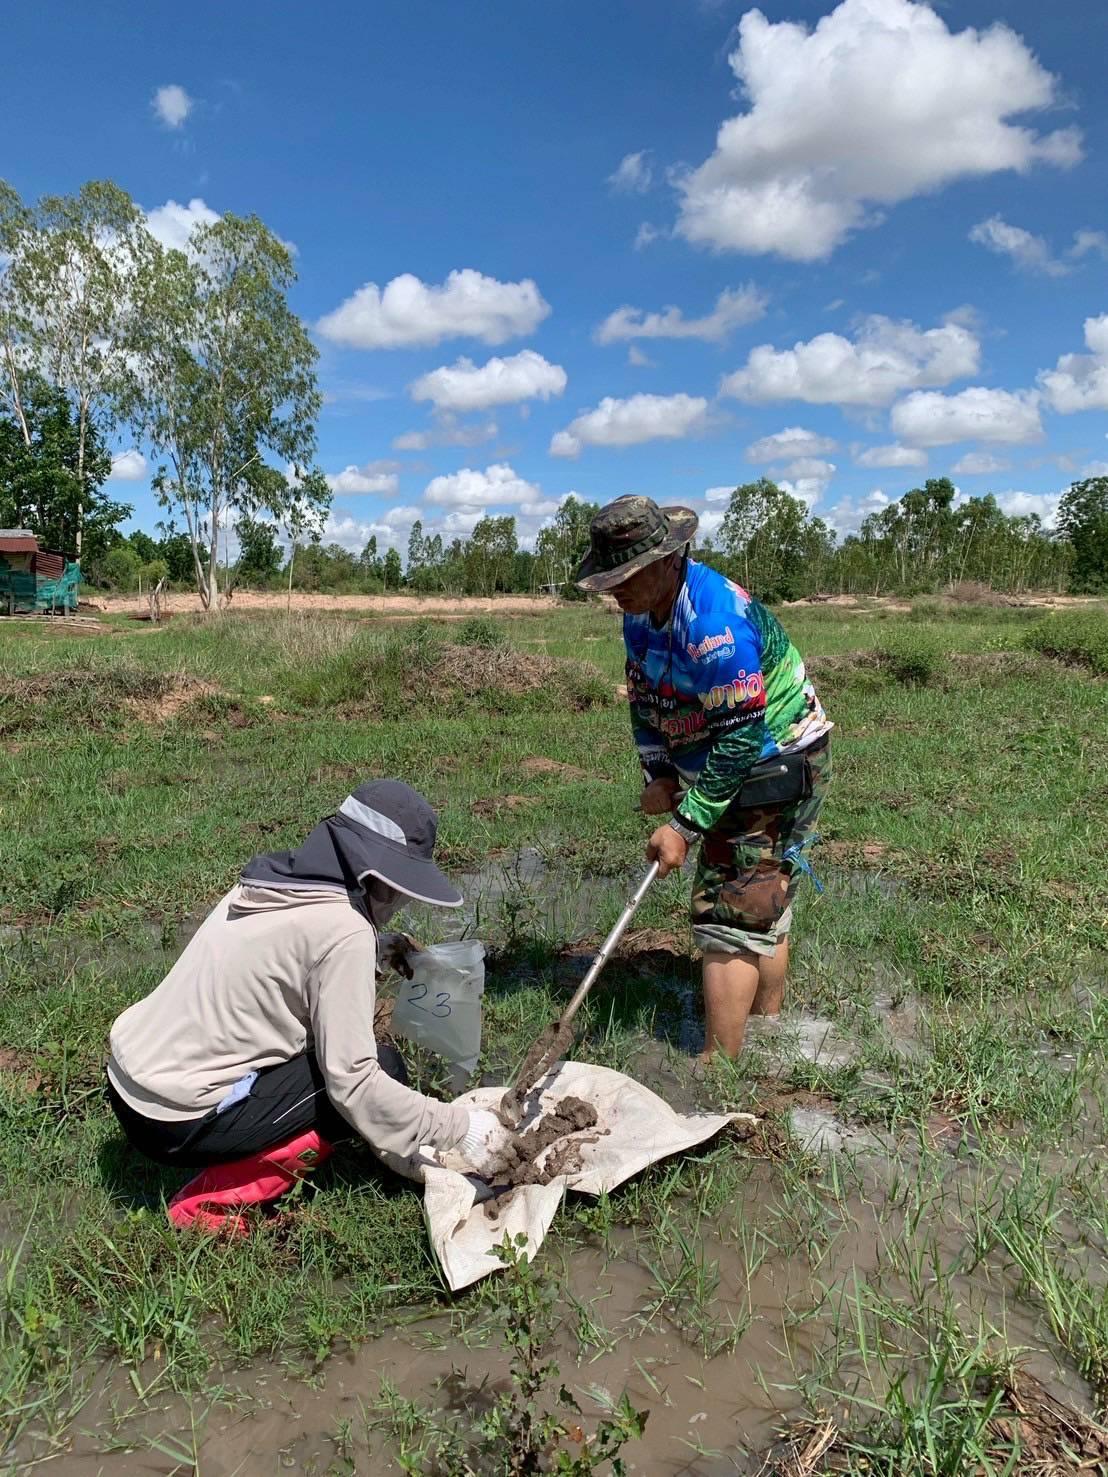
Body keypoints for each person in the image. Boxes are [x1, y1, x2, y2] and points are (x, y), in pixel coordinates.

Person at [105, 779, 509, 1232]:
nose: (400, 901)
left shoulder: (270, 882)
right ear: (376, 877)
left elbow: (284, 962)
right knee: (381, 1071)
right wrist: (463, 1129)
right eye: (400, 888)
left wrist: (375, 950)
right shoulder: (344, 932)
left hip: (128, 1083)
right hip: (173, 1121)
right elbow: (354, 1085)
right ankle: (210, 1201)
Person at [576, 496, 832, 1059]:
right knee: (763, 895)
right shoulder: (640, 611)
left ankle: (719, 1069)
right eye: (611, 576)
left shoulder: (713, 624)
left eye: (628, 576)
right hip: (738, 757)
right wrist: (660, 772)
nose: (616, 589)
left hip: (773, 760)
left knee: (728, 909)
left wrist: (685, 826)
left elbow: (740, 740)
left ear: (670, 560)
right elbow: (644, 696)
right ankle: (769, 1034)